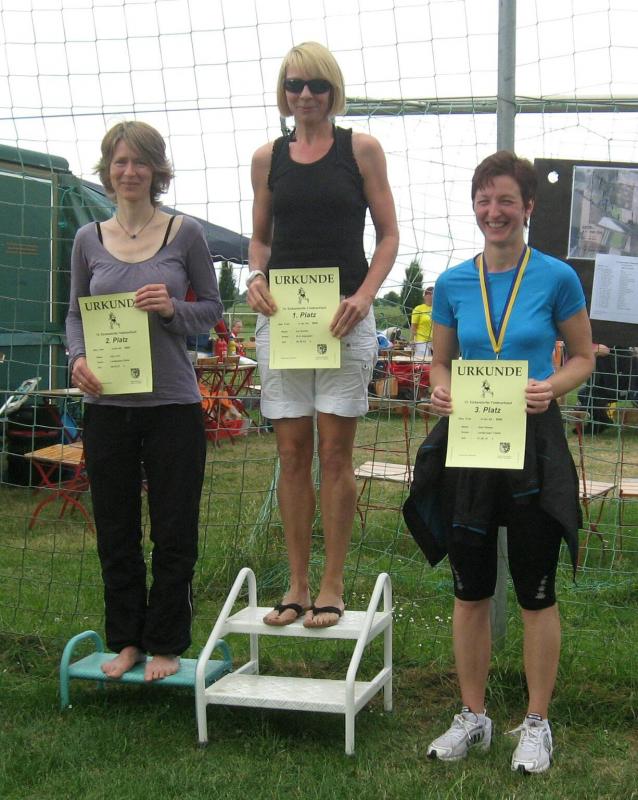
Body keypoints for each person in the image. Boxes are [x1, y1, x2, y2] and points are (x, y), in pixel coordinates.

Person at [403, 151, 594, 773]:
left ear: (528, 206)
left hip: (533, 442)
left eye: (506, 200)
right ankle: (473, 716)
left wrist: (551, 387)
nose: (495, 211)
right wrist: (439, 389)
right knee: (470, 589)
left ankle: (537, 723)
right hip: (472, 442)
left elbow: (583, 356)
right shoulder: (454, 283)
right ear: (475, 206)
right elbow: (440, 363)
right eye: (484, 200)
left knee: (536, 590)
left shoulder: (557, 277)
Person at [247, 42, 399, 628]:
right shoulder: (267, 158)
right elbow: (260, 239)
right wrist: (255, 276)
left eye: (317, 85)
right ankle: (297, 583)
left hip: (345, 318)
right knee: (290, 453)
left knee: (336, 454)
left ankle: (332, 585)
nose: (305, 95)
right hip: (283, 321)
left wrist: (365, 296)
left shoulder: (360, 150)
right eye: (295, 85)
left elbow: (388, 235)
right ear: (283, 92)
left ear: (334, 90)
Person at [66, 121, 223, 681]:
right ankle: (127, 640)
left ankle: (167, 643)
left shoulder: (185, 233)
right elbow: (74, 315)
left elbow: (212, 309)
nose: (129, 171)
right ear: (107, 170)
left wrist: (172, 310)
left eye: (139, 162)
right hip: (108, 407)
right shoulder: (88, 239)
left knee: (174, 529)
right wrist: (77, 359)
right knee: (115, 531)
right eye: (120, 161)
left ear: (157, 170)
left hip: (171, 406)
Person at [410, 286, 434, 357]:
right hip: (421, 341)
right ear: (426, 296)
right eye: (430, 294)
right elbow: (413, 327)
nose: (432, 297)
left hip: (434, 341)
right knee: (422, 360)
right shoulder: (418, 309)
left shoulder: (437, 309)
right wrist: (412, 340)